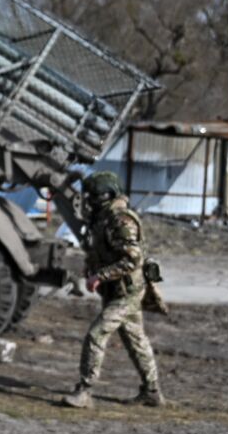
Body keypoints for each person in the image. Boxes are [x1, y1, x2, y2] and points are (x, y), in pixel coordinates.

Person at [62, 171, 164, 409]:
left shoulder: (121, 220)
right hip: (116, 291)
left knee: (96, 335)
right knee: (135, 340)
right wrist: (90, 267)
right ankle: (152, 391)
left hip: (127, 292)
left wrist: (100, 276)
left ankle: (85, 390)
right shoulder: (102, 218)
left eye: (93, 196)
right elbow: (97, 249)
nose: (88, 201)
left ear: (106, 195)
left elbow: (133, 259)